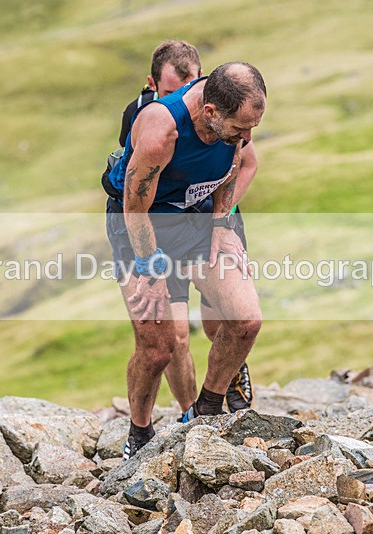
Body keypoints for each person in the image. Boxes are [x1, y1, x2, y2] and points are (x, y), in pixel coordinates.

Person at [106, 62, 267, 459]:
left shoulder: (231, 117)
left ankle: (207, 409)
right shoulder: (162, 130)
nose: (247, 137)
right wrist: (151, 269)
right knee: (159, 346)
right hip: (142, 226)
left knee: (245, 321)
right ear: (210, 112)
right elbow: (134, 206)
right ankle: (139, 432)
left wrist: (221, 223)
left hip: (195, 217)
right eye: (240, 128)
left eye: (253, 127)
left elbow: (233, 166)